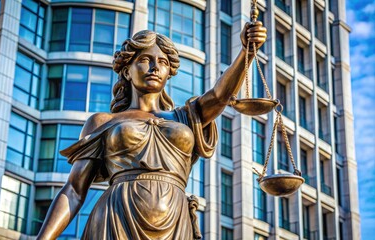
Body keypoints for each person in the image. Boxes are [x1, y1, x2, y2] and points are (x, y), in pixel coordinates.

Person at [37, 21, 267, 240]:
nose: (155, 67)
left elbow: (219, 96)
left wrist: (247, 52)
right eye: (145, 60)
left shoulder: (186, 117)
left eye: (163, 62)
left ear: (169, 73)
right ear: (127, 71)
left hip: (174, 220)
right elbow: (75, 190)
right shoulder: (103, 121)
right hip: (116, 218)